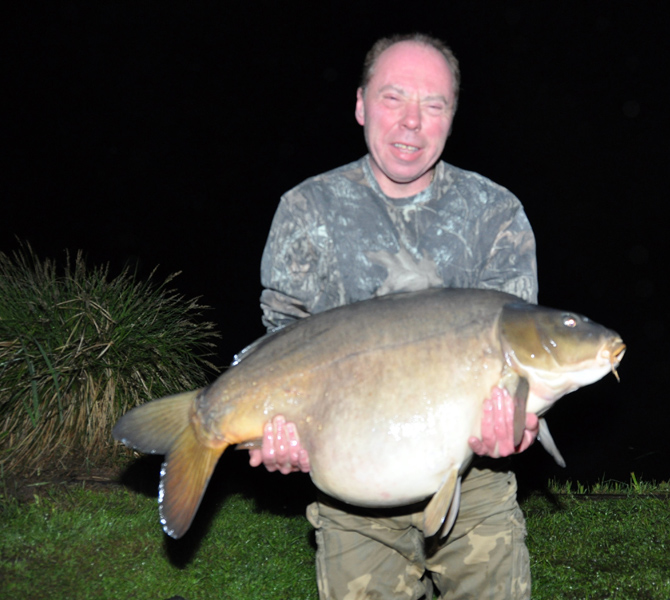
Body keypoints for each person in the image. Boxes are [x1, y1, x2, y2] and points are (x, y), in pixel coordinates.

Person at [246, 33, 540, 600]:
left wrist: (519, 423)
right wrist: (279, 427)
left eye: (434, 105)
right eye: (393, 98)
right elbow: (282, 341)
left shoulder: (495, 213)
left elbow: (518, 358)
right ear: (359, 105)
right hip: (352, 494)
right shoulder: (308, 209)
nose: (412, 122)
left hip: (474, 485)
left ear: (452, 117)